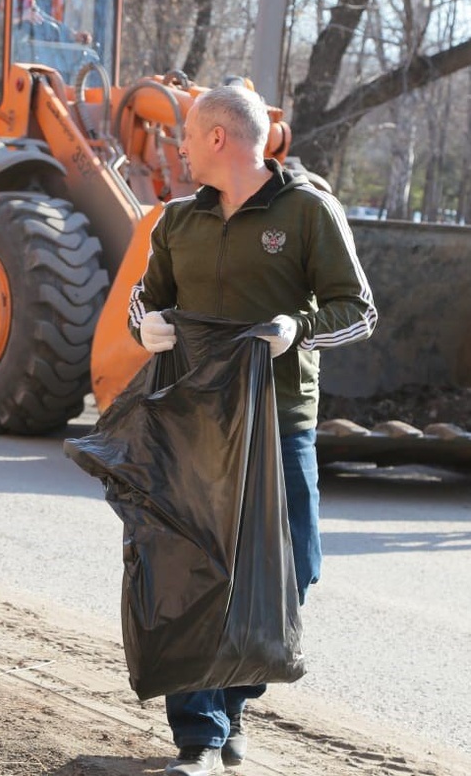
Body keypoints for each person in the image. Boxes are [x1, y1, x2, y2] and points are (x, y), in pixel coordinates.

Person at [128, 85, 377, 776]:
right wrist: (143, 325)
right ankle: (199, 737)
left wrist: (299, 331)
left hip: (279, 422)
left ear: (218, 138)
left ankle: (235, 701)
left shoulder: (307, 212)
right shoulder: (178, 222)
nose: (176, 144)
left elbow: (358, 311)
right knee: (192, 574)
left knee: (292, 570)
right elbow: (147, 300)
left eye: (185, 131)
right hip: (196, 423)